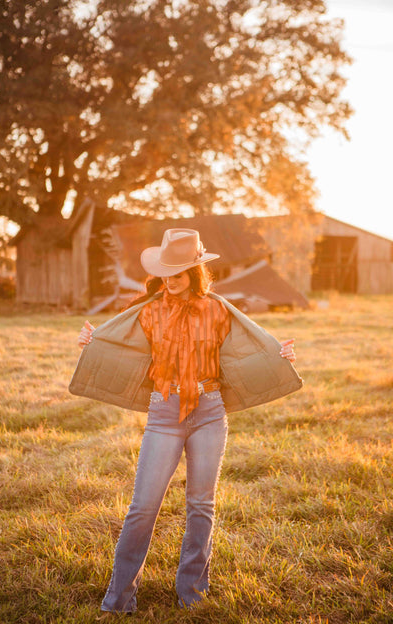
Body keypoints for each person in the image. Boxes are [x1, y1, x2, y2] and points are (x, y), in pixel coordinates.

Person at [70, 228, 301, 617]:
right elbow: (118, 345)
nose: (170, 278)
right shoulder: (148, 309)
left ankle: (192, 593)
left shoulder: (218, 309)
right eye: (165, 271)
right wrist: (91, 341)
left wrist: (279, 354)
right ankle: (119, 599)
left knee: (201, 505)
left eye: (178, 272)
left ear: (195, 271)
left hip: (210, 410)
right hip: (164, 412)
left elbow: (248, 350)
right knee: (143, 506)